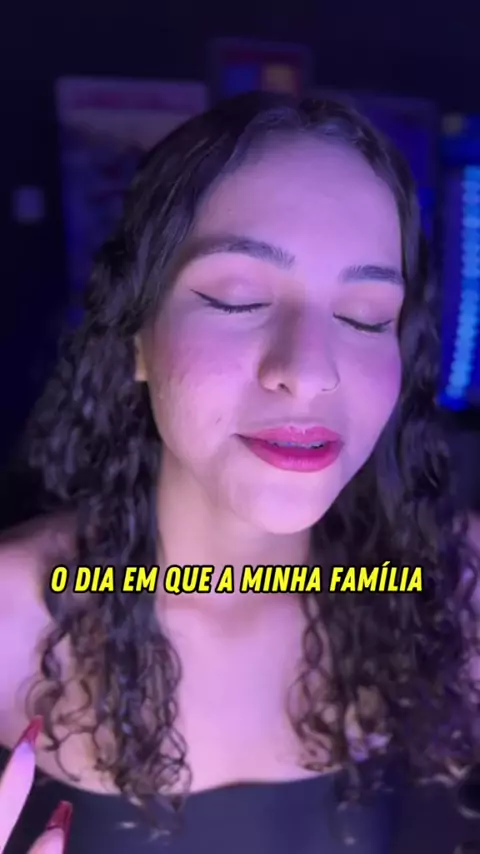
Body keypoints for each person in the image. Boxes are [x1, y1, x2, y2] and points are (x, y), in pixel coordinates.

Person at [0, 91, 479, 854]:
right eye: (238, 298)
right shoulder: (11, 615)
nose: (310, 371)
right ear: (138, 336)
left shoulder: (452, 597)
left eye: (365, 316)